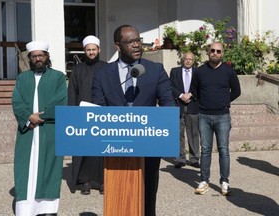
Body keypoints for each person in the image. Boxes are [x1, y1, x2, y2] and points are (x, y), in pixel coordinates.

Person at [92, 25, 175, 216]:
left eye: (138, 40)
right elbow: (97, 108)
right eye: (130, 42)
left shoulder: (155, 70)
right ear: (118, 46)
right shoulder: (103, 74)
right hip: (115, 146)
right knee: (118, 197)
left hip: (149, 145)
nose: (137, 45)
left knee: (147, 197)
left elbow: (168, 104)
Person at [12, 41, 67, 216]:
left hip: (49, 129)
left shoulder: (58, 77)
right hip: (27, 131)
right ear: (29, 58)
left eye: (41, 55)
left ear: (47, 57)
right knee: (25, 168)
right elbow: (17, 101)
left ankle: (47, 208)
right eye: (34, 56)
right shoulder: (22, 78)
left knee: (50, 167)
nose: (38, 59)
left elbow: (61, 100)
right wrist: (29, 116)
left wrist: (41, 116)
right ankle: (26, 209)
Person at [186, 42, 241, 196]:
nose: (215, 53)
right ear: (208, 52)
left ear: (222, 53)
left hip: (223, 116)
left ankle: (225, 181)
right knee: (205, 150)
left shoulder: (229, 72)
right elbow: (194, 91)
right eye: (212, 50)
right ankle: (204, 180)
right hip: (204, 116)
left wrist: (224, 101)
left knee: (224, 150)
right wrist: (204, 102)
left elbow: (236, 91)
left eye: (218, 51)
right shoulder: (200, 71)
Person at [67, 35, 106, 195]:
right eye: (88, 50)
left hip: (102, 114)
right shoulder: (77, 69)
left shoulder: (107, 67)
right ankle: (85, 182)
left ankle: (103, 181)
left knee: (101, 149)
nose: (91, 52)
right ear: (84, 51)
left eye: (93, 49)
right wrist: (72, 114)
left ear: (99, 50)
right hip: (82, 115)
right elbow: (72, 93)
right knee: (84, 148)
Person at [169, 51, 200, 169]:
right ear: (183, 60)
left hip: (193, 105)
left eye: (190, 59)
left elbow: (200, 87)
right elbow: (170, 86)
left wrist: (190, 95)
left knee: (193, 134)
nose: (188, 61)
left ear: (193, 61)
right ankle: (180, 159)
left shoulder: (198, 72)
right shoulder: (175, 71)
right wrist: (181, 95)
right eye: (186, 59)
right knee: (178, 134)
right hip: (178, 104)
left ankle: (194, 159)